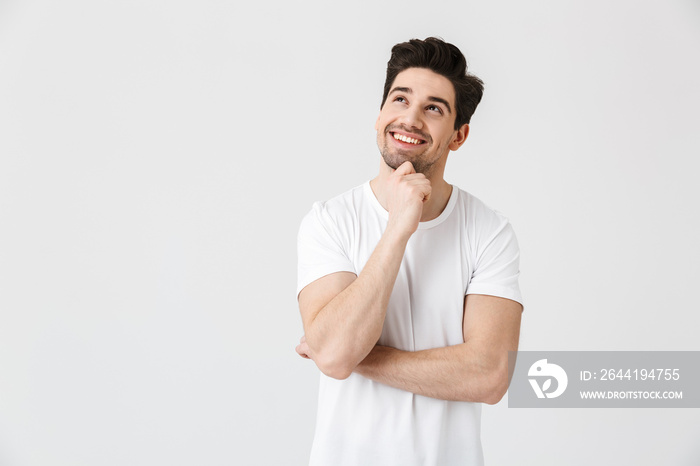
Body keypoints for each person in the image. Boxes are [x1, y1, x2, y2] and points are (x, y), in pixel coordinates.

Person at [295, 37, 523, 466]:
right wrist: (399, 227)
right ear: (380, 115)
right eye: (400, 99)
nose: (411, 118)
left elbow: (491, 375)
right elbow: (333, 352)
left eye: (434, 108)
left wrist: (351, 358)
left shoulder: (489, 232)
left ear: (458, 136)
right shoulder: (328, 221)